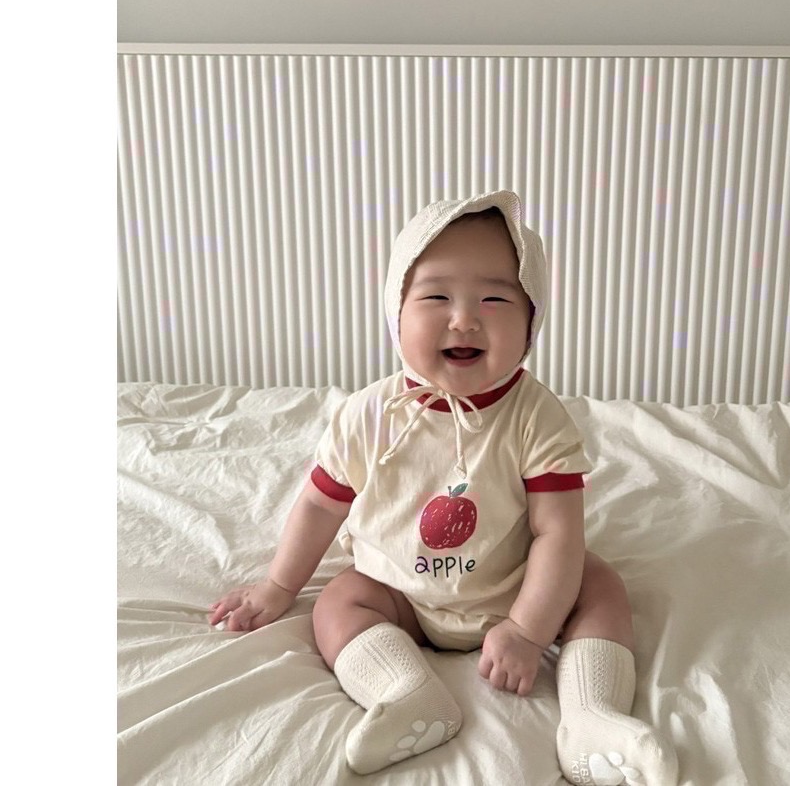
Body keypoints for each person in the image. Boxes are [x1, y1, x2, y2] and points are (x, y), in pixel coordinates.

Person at [210, 190, 677, 785]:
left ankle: (592, 718)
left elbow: (557, 532)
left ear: (531, 322)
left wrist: (529, 629)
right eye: (436, 297)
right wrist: (279, 586)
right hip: (401, 593)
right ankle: (405, 693)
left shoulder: (535, 416)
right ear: (396, 312)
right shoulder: (369, 414)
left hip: (515, 585)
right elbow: (321, 504)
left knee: (597, 583)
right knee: (338, 603)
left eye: (494, 298)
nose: (464, 319)